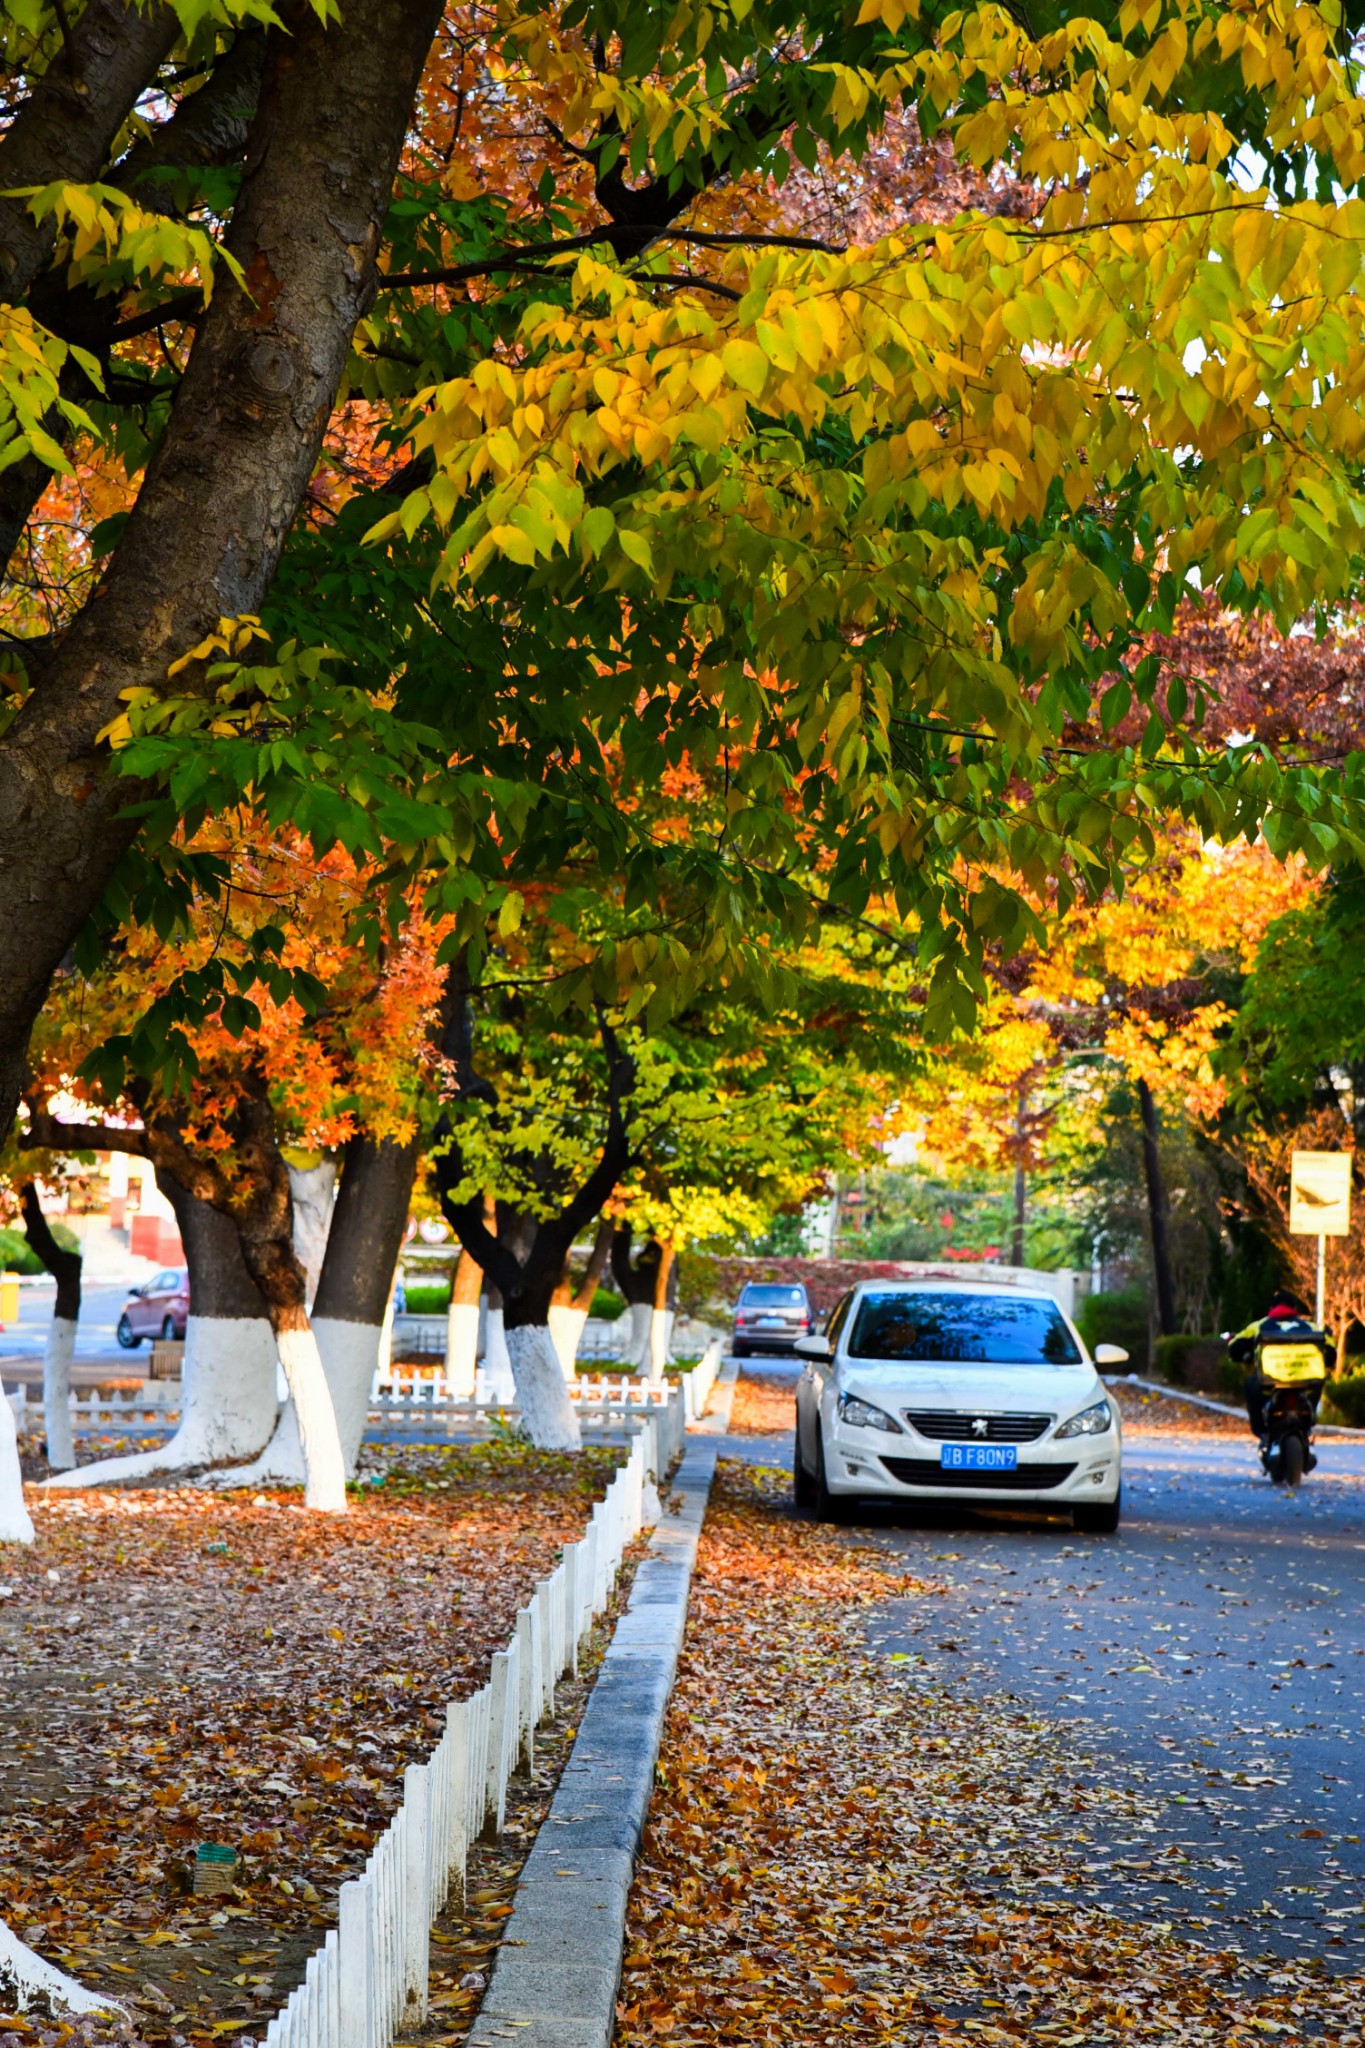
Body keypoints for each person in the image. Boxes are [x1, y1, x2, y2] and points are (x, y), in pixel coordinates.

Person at [1227, 1291, 1334, 1440]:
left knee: (1249, 1385)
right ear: (1294, 1308)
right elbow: (1331, 1352)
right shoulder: (1311, 1327)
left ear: (1271, 1307)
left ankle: (1262, 1431)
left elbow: (1234, 1347)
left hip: (1270, 1382)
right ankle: (1309, 1420)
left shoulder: (1259, 1326)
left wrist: (1244, 1356)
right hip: (1306, 1382)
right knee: (1318, 1384)